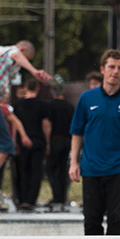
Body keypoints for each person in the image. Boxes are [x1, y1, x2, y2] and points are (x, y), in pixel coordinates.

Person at [69, 49, 120, 235]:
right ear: (103, 69)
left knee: (117, 219)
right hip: (91, 168)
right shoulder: (87, 98)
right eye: (111, 67)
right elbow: (77, 132)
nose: (115, 71)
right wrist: (74, 162)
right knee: (91, 220)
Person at [0, 40, 52, 200]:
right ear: (23, 49)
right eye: (28, 58)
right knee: (5, 145)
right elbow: (16, 55)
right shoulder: (11, 51)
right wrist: (33, 70)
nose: (20, 65)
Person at [12, 80, 50, 211]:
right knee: (36, 172)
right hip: (37, 140)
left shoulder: (18, 104)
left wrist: (15, 140)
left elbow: (15, 125)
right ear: (38, 89)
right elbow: (46, 124)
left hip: (22, 142)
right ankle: (30, 200)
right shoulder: (43, 104)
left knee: (22, 171)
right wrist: (48, 142)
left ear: (26, 87)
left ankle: (21, 199)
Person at [45, 79, 75, 209]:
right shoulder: (70, 106)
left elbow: (48, 125)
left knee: (50, 169)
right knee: (63, 169)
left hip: (54, 139)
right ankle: (63, 197)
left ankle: (56, 196)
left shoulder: (49, 105)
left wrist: (47, 142)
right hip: (67, 140)